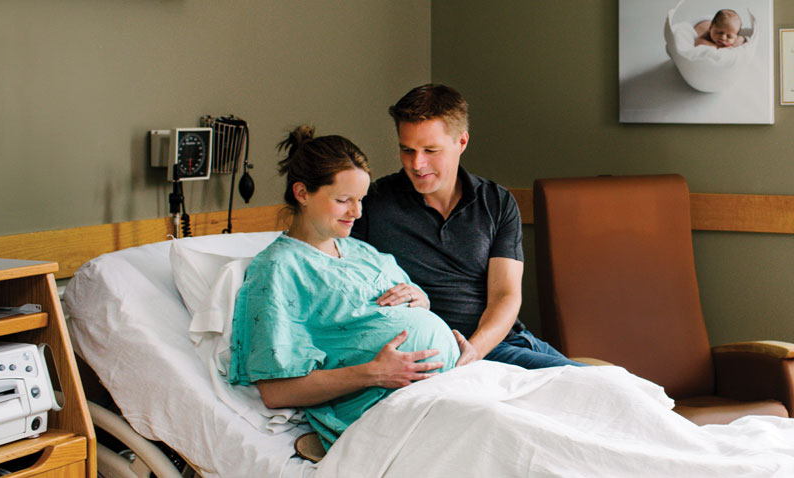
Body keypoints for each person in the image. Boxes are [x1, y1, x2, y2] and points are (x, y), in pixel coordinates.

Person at [227, 125, 470, 450]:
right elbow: (276, 391)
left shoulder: (362, 251)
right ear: (302, 194)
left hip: (451, 381)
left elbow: (399, 316)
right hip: (383, 407)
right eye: (343, 200)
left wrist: (421, 302)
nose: (356, 212)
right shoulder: (278, 269)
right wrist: (375, 373)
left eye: (360, 200)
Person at [351, 84, 582, 370]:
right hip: (429, 353)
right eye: (407, 150)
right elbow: (346, 282)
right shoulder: (371, 203)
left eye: (430, 150)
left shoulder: (497, 201)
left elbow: (505, 295)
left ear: (461, 142)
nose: (417, 163)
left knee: (615, 390)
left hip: (498, 345)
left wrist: (473, 353)